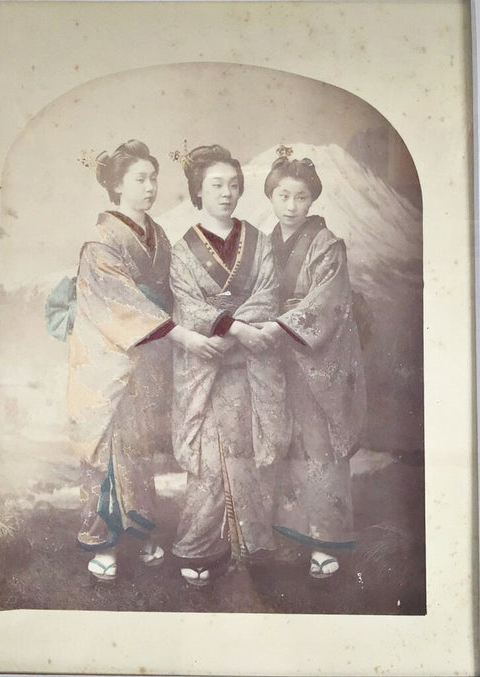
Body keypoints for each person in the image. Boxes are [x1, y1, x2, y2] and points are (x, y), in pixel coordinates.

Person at [167, 144, 290, 586]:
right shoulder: (182, 251)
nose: (226, 193)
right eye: (216, 185)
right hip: (209, 368)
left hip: (250, 369)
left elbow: (269, 293)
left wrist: (235, 325)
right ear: (198, 191)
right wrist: (236, 329)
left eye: (233, 185)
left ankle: (255, 545)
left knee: (252, 454)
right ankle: (201, 546)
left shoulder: (258, 240)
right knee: (210, 461)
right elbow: (186, 303)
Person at [67, 140, 174, 581]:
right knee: (108, 449)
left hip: (148, 352)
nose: (149, 187)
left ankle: (140, 531)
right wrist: (168, 324)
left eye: (153, 178)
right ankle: (104, 541)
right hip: (109, 355)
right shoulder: (101, 240)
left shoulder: (160, 235)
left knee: (138, 447)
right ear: (117, 184)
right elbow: (118, 300)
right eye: (139, 179)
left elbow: (168, 290)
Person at [257, 155, 366, 578]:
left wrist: (282, 324)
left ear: (312, 199)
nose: (291, 205)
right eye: (282, 195)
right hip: (275, 357)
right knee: (283, 443)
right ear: (271, 196)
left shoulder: (326, 244)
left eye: (301, 197)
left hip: (314, 358)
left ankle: (326, 540)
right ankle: (290, 536)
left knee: (318, 446)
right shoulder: (265, 244)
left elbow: (329, 301)